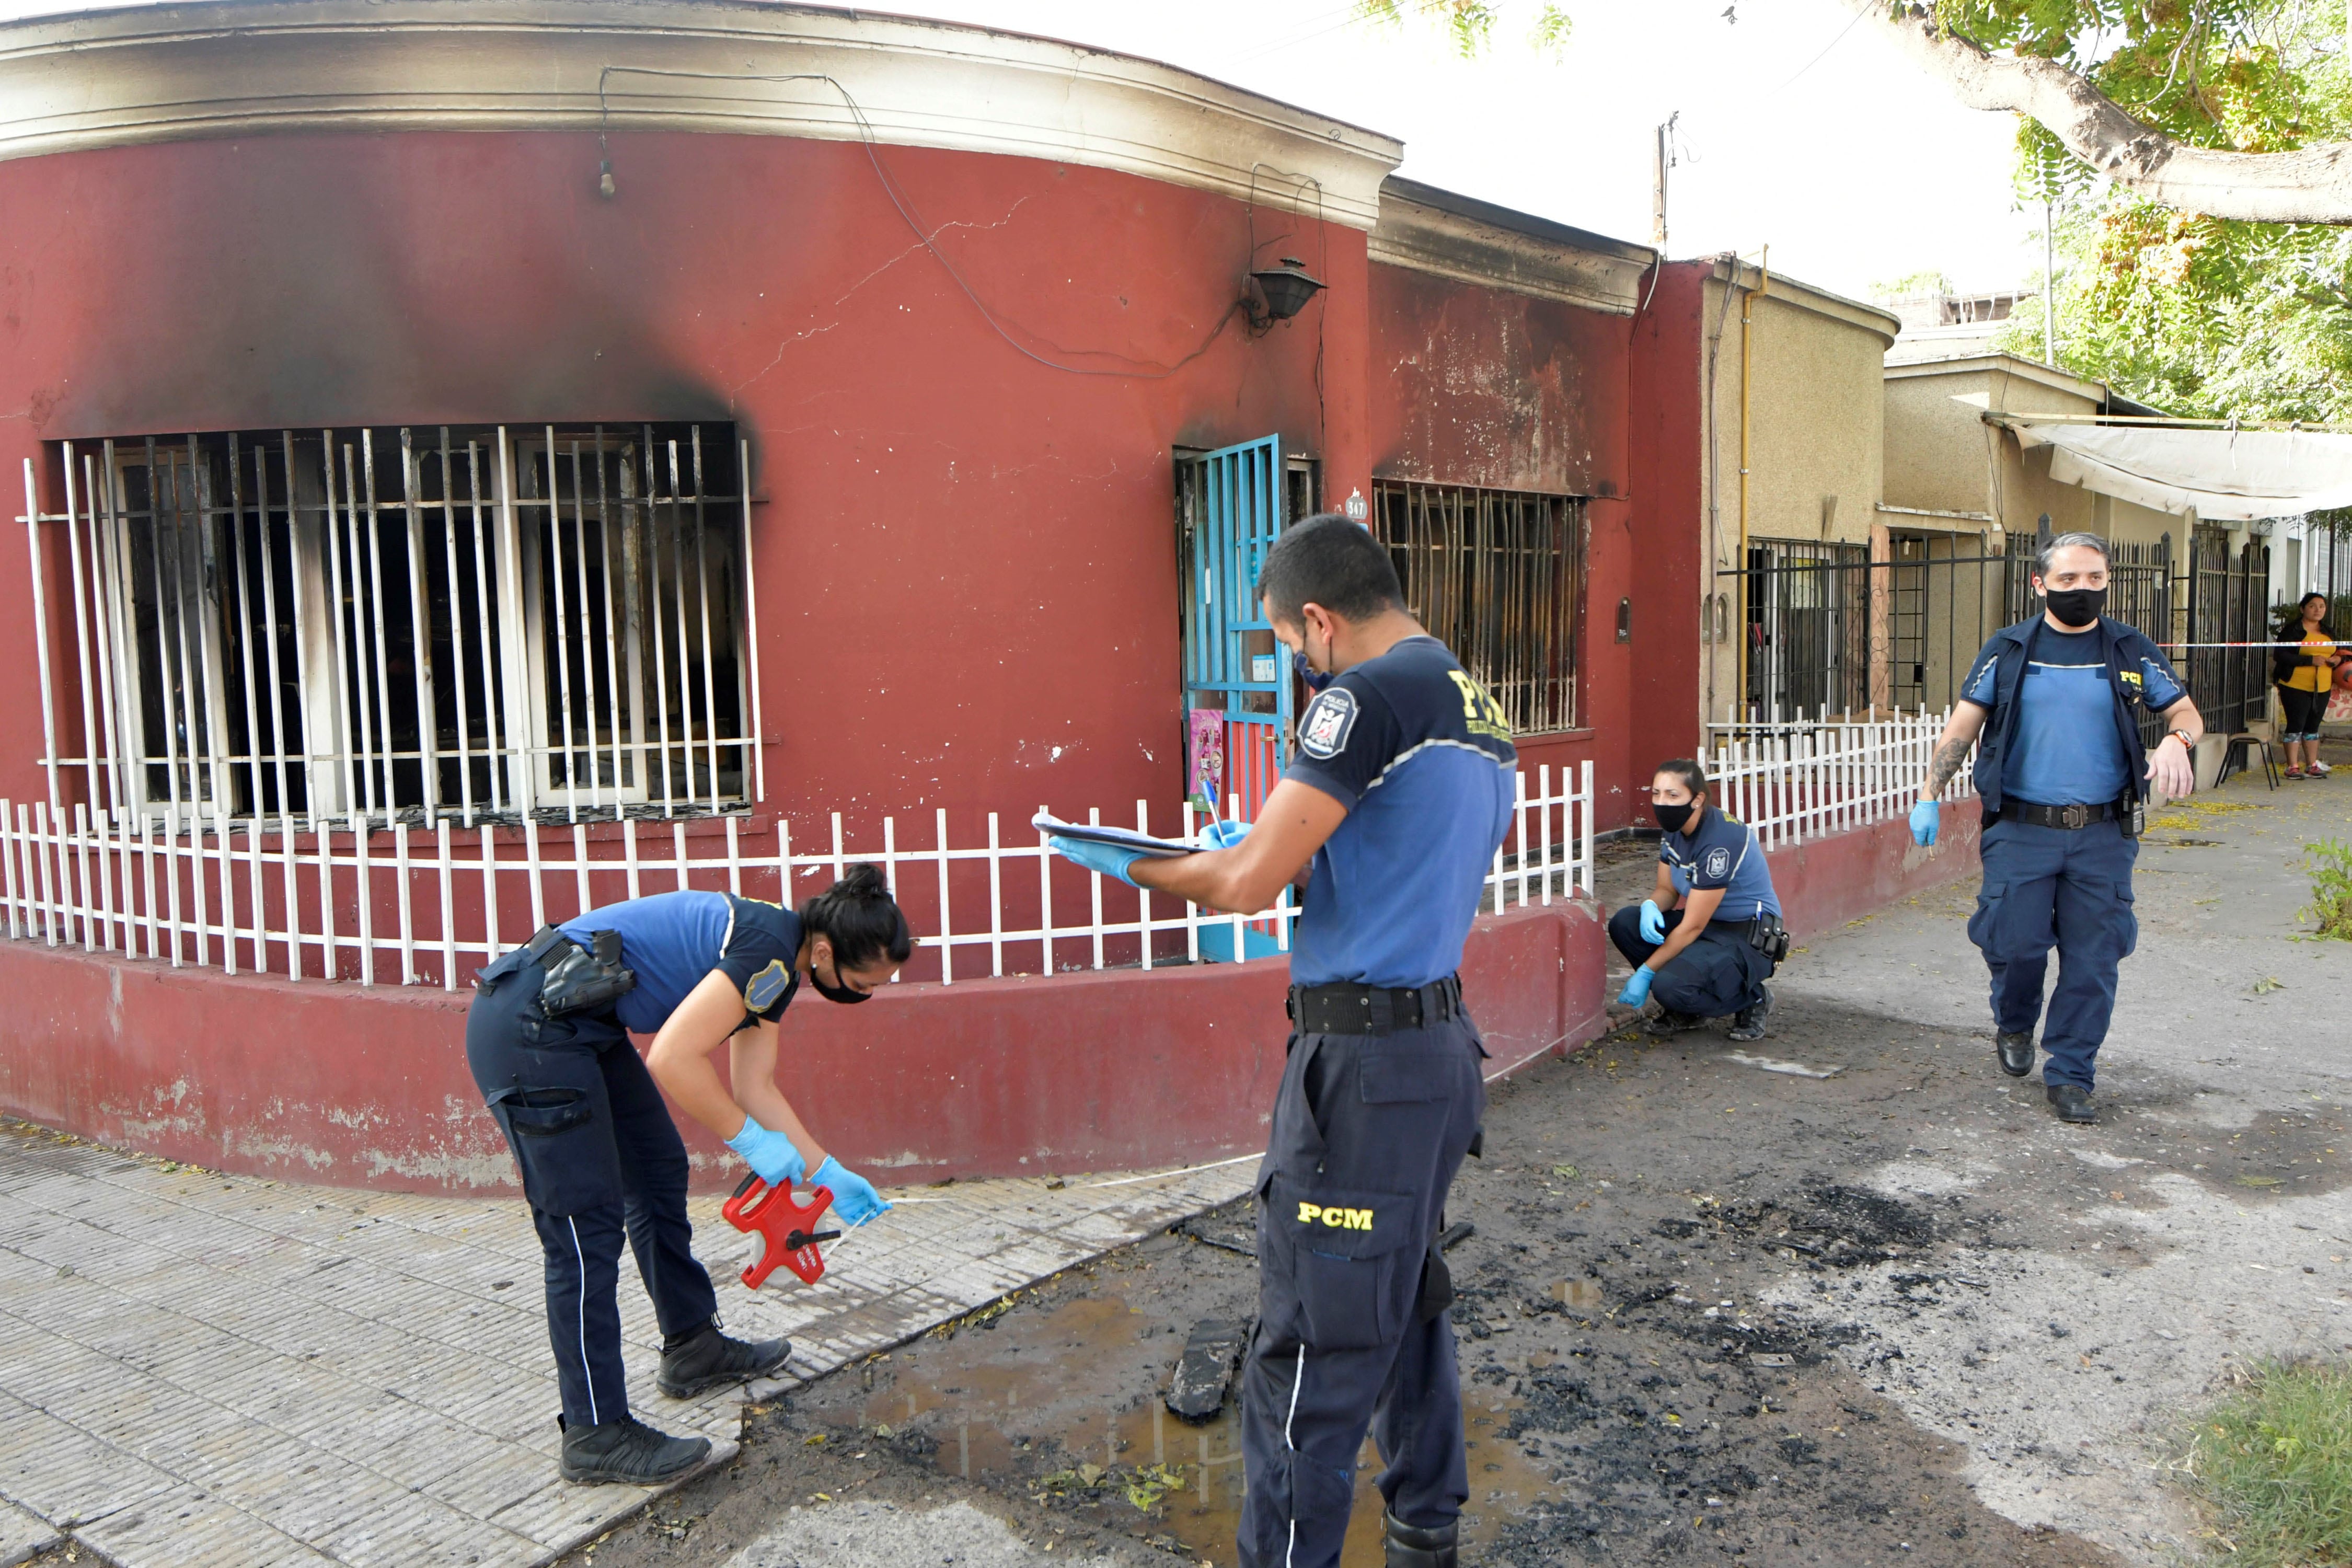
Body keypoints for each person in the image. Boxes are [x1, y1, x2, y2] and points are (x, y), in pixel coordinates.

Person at [1045, 514, 1510, 1568]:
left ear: (1318, 620)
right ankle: (1422, 1524)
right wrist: (1265, 852)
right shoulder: (1473, 703)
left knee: (1309, 1353)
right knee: (1404, 1292)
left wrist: (1125, 862)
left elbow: (1249, 884)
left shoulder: (1365, 696)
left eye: (1290, 646)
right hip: (1435, 1054)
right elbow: (1388, 862)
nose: (1294, 666)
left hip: (1362, 1073)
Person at [467, 868, 909, 1485]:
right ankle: (595, 1432)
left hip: (583, 1025)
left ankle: (693, 1348)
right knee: (583, 1230)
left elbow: (755, 1086)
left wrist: (826, 1170)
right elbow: (673, 1057)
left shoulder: (776, 961)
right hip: (532, 1029)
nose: (868, 993)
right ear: (829, 953)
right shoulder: (770, 952)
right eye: (865, 983)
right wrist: (749, 1140)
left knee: (654, 1172)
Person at [1909, 532, 2201, 1125]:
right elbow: (1963, 727)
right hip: (2021, 829)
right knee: (2014, 945)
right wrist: (1929, 795)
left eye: (2094, 579)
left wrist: (2179, 739)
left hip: (2102, 834)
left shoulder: (2128, 649)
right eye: (2068, 580)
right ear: (2040, 584)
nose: (2082, 590)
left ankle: (2072, 1074)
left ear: (2108, 582)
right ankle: (2014, 1021)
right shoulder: (2009, 649)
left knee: (2095, 960)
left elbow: (2183, 709)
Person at [1607, 759, 1784, 1042]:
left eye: (1672, 795)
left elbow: (1692, 927)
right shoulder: (1675, 830)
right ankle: (1689, 1007)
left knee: (1668, 986)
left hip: (1745, 934)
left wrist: (1646, 971)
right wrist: (1651, 906)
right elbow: (1667, 889)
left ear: (1698, 799)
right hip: (1706, 923)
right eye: (1656, 793)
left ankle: (1752, 999)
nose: (1662, 802)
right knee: (1627, 922)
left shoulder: (1720, 842)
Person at [2273, 592, 2342, 779]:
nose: (2318, 610)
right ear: (2303, 609)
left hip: (2322, 686)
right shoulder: (2292, 631)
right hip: (2295, 684)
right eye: (2313, 606)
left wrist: (2338, 659)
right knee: (2296, 724)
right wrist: (2309, 660)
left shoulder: (2328, 631)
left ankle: (2312, 764)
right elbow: (2280, 655)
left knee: (2313, 726)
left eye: (2322, 606)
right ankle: (2292, 766)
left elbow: (2340, 651)